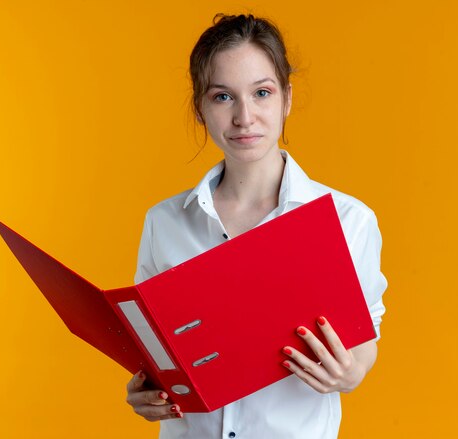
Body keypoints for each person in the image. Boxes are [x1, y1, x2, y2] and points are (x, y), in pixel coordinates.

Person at [125, 13, 387, 439]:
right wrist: (147, 393)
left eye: (261, 93)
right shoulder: (164, 222)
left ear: (285, 98)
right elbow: (156, 356)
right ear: (200, 108)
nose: (244, 117)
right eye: (223, 97)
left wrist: (349, 374)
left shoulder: (347, 220)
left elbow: (364, 344)